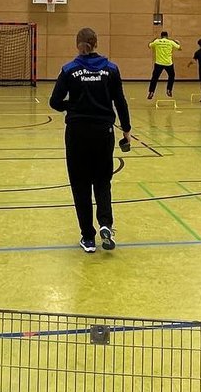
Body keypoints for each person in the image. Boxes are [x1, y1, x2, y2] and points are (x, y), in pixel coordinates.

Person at [50, 27, 132, 254]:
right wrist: (126, 130)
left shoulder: (69, 70)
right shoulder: (111, 69)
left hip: (77, 133)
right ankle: (106, 223)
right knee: (103, 181)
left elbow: (54, 102)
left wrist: (73, 105)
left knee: (80, 184)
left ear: (77, 45)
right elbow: (120, 102)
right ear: (96, 43)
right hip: (103, 132)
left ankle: (88, 237)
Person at [147, 31, 180, 100]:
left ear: (161, 36)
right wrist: (177, 42)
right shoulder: (170, 42)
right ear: (167, 36)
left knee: (154, 78)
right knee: (171, 76)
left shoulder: (157, 41)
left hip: (158, 63)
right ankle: (169, 90)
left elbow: (149, 45)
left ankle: (151, 92)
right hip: (168, 63)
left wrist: (154, 40)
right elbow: (179, 48)